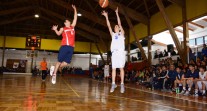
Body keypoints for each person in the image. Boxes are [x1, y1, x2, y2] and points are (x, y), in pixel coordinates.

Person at [51, 5, 77, 84]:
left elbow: (75, 18)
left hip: (71, 48)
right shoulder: (63, 28)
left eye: (68, 21)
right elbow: (58, 33)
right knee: (59, 62)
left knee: (66, 63)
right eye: (66, 21)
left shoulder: (72, 27)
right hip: (64, 46)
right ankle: (54, 75)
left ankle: (54, 67)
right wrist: (55, 30)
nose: (67, 22)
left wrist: (75, 9)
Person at [102, 7, 126, 93]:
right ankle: (113, 84)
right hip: (114, 53)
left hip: (120, 53)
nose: (115, 27)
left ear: (119, 28)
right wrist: (106, 17)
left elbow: (119, 23)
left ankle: (122, 85)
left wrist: (116, 13)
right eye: (115, 27)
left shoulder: (121, 34)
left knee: (121, 68)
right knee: (113, 69)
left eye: (117, 27)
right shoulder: (113, 34)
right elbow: (108, 25)